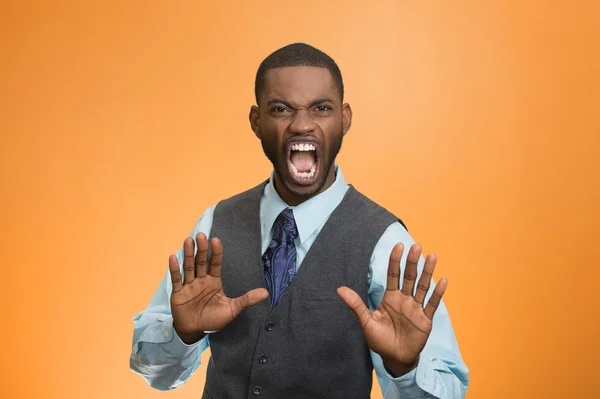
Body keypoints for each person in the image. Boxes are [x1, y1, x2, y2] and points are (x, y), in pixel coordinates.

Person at [130, 43, 469, 398]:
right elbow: (154, 372)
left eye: (321, 108)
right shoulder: (216, 224)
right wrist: (182, 336)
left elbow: (448, 388)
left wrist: (405, 368)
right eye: (281, 109)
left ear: (345, 119)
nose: (302, 124)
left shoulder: (384, 240)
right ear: (257, 121)